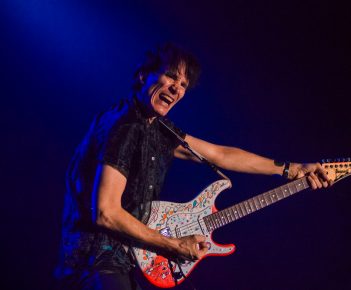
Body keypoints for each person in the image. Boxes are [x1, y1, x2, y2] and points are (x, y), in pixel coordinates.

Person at [54, 43, 332, 290]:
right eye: (171, 76)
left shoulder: (157, 129)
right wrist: (174, 245)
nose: (177, 88)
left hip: (129, 262)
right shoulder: (123, 126)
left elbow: (220, 154)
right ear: (143, 76)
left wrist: (293, 169)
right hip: (95, 265)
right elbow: (106, 212)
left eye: (184, 84)